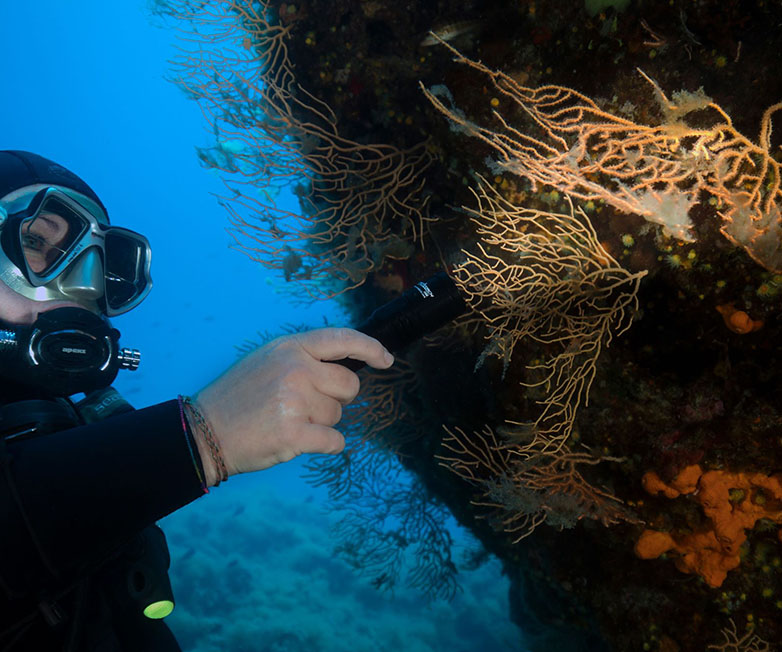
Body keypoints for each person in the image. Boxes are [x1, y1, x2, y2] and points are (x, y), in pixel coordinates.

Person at [0, 150, 394, 651]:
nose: (84, 287)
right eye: (36, 241)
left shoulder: (71, 431)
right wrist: (203, 437)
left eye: (99, 264)